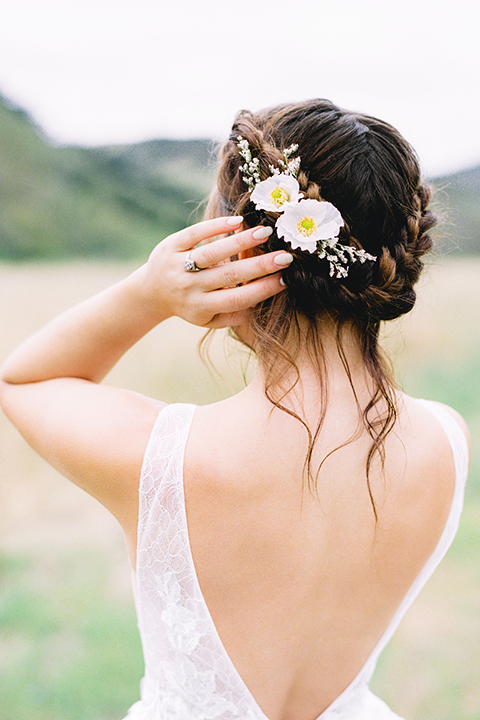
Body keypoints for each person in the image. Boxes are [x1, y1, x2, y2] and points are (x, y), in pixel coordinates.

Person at [0, 98, 470, 720]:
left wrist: (148, 292)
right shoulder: (446, 440)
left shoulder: (166, 458)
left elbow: (24, 381)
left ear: (238, 246)